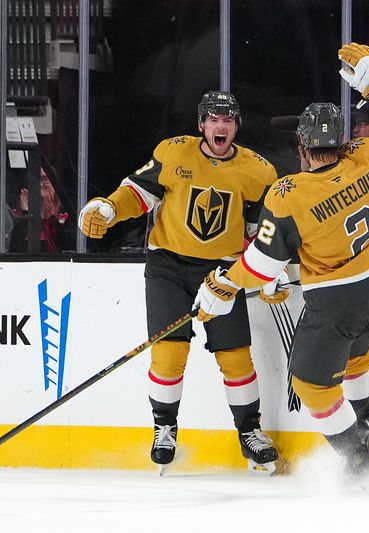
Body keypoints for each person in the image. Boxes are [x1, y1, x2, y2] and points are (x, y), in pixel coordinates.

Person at [194, 43, 369, 485]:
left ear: (301, 143)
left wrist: (222, 285)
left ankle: (357, 469)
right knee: (357, 356)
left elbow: (261, 266)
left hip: (336, 298)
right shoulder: (368, 156)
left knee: (312, 385)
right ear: (340, 141)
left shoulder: (288, 194)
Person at [78, 91, 281, 474]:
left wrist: (270, 271)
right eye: (213, 119)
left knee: (235, 357)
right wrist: (108, 207)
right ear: (201, 125)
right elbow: (137, 194)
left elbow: (262, 231)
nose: (221, 126)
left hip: (223, 274)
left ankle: (249, 432)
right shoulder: (173, 153)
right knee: (169, 354)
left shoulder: (259, 171)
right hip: (168, 266)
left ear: (237, 126)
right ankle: (164, 428)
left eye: (228, 119)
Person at [9, 168, 75, 253]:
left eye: (45, 180)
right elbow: (15, 249)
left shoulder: (66, 216)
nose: (40, 184)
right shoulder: (19, 214)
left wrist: (52, 219)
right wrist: (25, 213)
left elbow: (64, 250)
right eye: (36, 179)